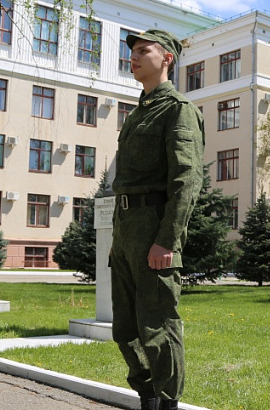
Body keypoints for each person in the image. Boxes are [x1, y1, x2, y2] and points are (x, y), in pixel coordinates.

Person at [109, 28, 204, 410]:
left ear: (167, 58)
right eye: (132, 51)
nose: (134, 56)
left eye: (143, 50)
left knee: (158, 325)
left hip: (153, 226)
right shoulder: (137, 113)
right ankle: (146, 396)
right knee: (125, 328)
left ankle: (167, 402)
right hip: (126, 227)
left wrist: (167, 239)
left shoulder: (177, 110)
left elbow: (186, 180)